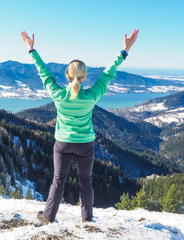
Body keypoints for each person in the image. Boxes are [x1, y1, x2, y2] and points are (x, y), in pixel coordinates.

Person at [21, 29, 139, 224]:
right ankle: (87, 218)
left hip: (63, 143)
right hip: (85, 144)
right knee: (86, 181)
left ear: (67, 75)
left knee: (58, 181)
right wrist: (124, 51)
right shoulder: (92, 95)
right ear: (84, 77)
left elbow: (44, 73)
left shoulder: (58, 95)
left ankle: (48, 217)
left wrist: (32, 50)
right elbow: (107, 75)